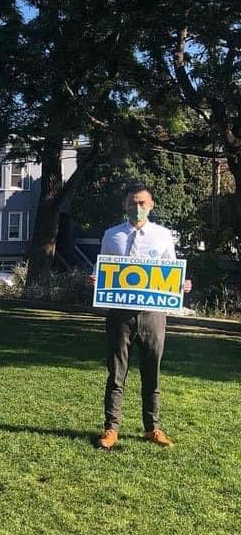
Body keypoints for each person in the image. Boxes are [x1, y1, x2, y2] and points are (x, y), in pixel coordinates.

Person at [96, 182, 191, 450]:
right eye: (132, 203)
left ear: (151, 205)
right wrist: (95, 279)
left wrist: (182, 285)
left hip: (153, 316)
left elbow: (172, 269)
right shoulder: (111, 235)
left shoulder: (163, 235)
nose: (137, 207)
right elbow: (101, 268)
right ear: (124, 205)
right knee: (116, 374)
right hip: (120, 315)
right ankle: (111, 429)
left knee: (152, 374)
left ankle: (153, 428)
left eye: (142, 203)